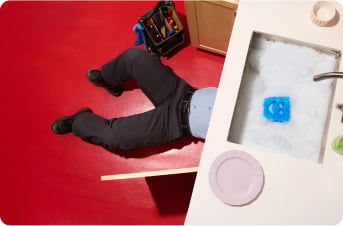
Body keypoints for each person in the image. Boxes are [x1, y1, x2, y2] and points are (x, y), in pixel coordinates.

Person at [51, 48, 217, 151]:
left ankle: (78, 121)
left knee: (113, 136)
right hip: (181, 91)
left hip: (175, 124)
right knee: (134, 56)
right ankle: (109, 79)